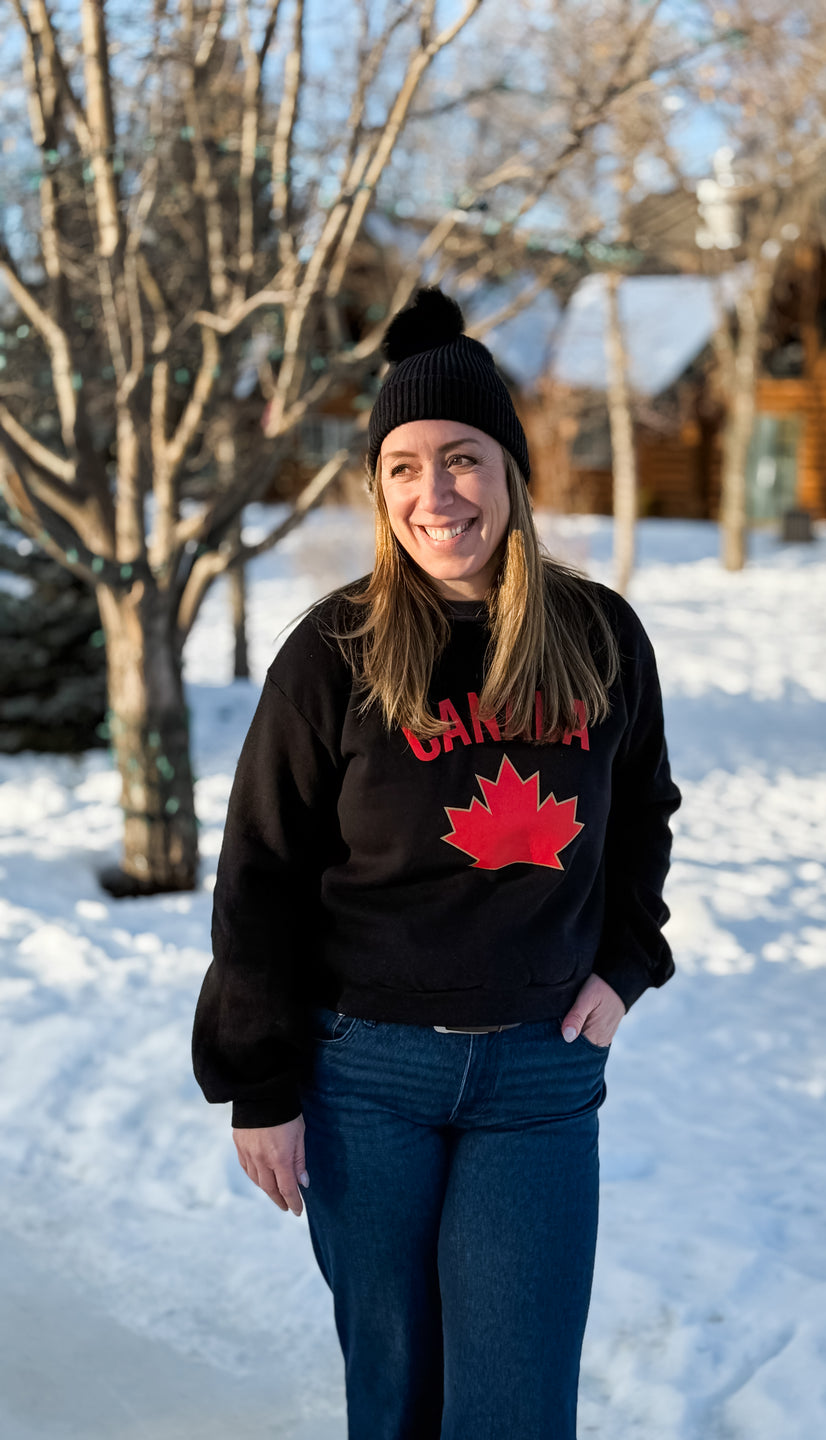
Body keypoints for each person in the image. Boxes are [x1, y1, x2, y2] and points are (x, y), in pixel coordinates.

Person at [191, 286, 681, 1440]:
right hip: (366, 1078)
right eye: (402, 468)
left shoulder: (601, 635)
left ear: (510, 470)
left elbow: (644, 816)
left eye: (460, 458)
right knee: (398, 1402)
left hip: (539, 1082)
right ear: (378, 490)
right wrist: (257, 1082)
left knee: (512, 1409)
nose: (433, 494)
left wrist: (628, 961)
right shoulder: (336, 651)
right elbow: (258, 870)